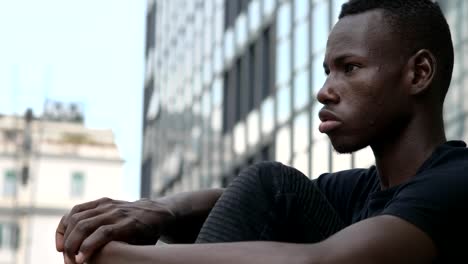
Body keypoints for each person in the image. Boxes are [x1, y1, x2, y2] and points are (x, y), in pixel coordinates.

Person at [56, 0, 467, 263]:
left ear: (419, 73)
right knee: (273, 185)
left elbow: (319, 262)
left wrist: (118, 258)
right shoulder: (359, 193)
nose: (325, 91)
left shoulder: (455, 182)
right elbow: (248, 201)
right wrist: (158, 211)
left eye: (350, 68)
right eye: (328, 71)